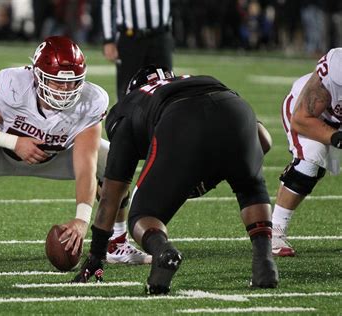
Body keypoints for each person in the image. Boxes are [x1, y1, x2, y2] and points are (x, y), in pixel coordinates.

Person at [0, 36, 151, 268]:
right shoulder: (14, 85)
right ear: (37, 76)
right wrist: (14, 142)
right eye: (57, 82)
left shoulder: (91, 101)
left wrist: (81, 219)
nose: (65, 89)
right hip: (1, 153)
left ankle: (116, 242)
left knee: (113, 160)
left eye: (73, 82)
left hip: (54, 157)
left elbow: (86, 162)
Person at [72, 65, 279, 294]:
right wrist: (217, 174)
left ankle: (163, 252)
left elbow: (112, 192)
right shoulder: (198, 80)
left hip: (180, 119)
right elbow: (264, 141)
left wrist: (96, 255)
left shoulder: (128, 106)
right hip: (234, 107)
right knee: (249, 183)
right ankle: (264, 263)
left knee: (142, 215)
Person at [271, 48, 342, 257]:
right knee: (311, 160)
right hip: (308, 114)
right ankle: (275, 230)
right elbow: (302, 119)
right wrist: (336, 138)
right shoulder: (335, 70)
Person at [101, 0, 173, 101]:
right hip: (130, 38)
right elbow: (107, 3)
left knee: (165, 87)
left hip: (160, 36)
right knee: (127, 91)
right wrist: (108, 39)